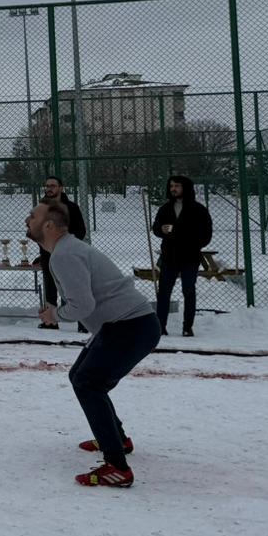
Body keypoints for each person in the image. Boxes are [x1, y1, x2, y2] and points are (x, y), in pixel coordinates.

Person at [27, 200, 161, 487]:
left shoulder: (64, 254)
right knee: (80, 377)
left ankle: (117, 467)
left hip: (131, 326)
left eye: (33, 215)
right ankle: (117, 440)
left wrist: (55, 315)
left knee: (89, 383)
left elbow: (83, 305)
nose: (28, 218)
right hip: (124, 326)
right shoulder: (66, 250)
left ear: (49, 225)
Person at [151, 174, 213, 338]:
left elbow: (206, 234)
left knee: (189, 290)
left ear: (185, 187)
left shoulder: (198, 210)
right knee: (164, 291)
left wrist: (191, 243)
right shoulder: (165, 209)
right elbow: (156, 228)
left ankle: (187, 326)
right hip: (169, 256)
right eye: (171, 186)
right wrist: (161, 230)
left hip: (190, 257)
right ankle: (160, 326)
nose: (173, 189)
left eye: (177, 186)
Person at [35, 176, 87, 330]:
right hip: (48, 255)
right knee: (50, 289)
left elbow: (80, 231)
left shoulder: (71, 208)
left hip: (67, 255)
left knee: (73, 289)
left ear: (61, 188)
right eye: (46, 185)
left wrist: (63, 243)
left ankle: (83, 323)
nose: (49, 188)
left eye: (52, 185)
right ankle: (50, 321)